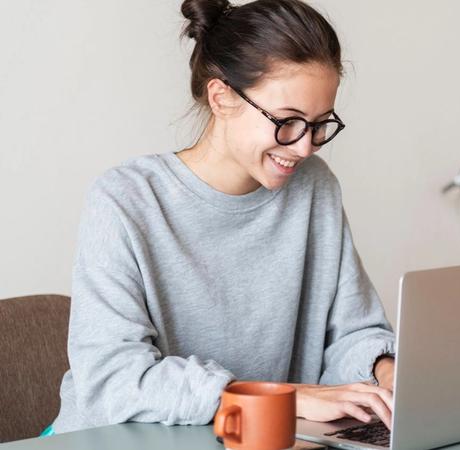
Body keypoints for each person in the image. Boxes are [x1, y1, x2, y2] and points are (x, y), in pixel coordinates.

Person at [48, 0, 396, 435]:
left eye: (320, 124)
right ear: (222, 97)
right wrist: (286, 399)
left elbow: (349, 334)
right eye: (288, 122)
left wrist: (385, 372)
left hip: (252, 437)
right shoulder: (126, 199)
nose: (304, 147)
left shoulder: (313, 187)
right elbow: (113, 380)